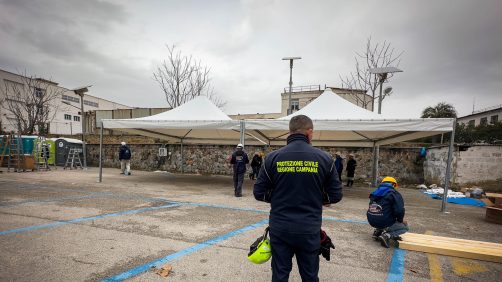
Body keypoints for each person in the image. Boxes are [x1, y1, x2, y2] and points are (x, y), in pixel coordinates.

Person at [253, 115, 343, 282]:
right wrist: (318, 198)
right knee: (309, 276)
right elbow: (336, 195)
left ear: (290, 131)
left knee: (280, 275)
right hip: (309, 229)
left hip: (280, 228)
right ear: (309, 132)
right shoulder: (324, 158)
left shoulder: (272, 158)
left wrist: (279, 196)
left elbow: (259, 192)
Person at [366, 176, 409, 248]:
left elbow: (372, 207)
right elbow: (399, 210)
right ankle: (386, 235)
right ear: (393, 184)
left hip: (371, 220)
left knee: (383, 213)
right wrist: (400, 221)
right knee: (405, 227)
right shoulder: (393, 194)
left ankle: (378, 232)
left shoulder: (374, 192)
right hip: (383, 221)